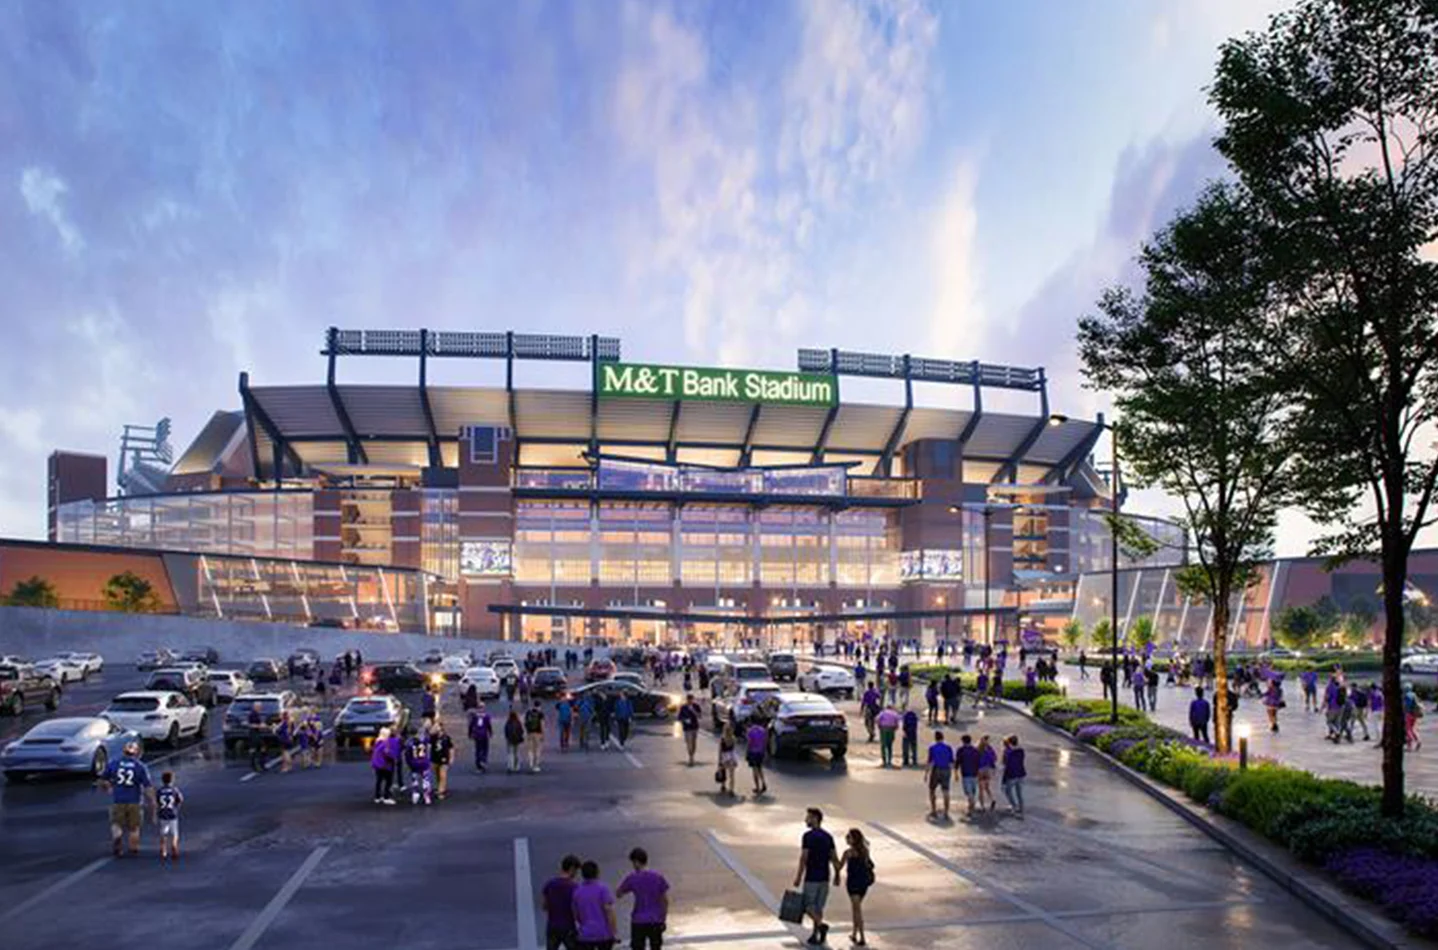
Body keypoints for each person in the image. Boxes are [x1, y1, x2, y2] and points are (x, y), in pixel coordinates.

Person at [793, 807, 842, 948]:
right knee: (818, 908)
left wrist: (798, 877)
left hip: (812, 877)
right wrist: (837, 874)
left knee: (808, 906)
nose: (805, 820)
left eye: (808, 817)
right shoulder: (828, 837)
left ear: (815, 818)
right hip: (825, 877)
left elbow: (804, 858)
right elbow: (834, 857)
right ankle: (816, 934)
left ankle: (821, 926)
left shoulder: (808, 836)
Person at [101, 740, 154, 856]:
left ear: (124, 751)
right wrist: (152, 801)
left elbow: (104, 779)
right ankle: (133, 847)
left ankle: (117, 839)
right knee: (134, 826)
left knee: (116, 823)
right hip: (134, 800)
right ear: (136, 752)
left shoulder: (113, 763)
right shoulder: (140, 766)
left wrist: (108, 788)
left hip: (118, 799)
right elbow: (147, 786)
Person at [616, 847, 669, 950]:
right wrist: (663, 919)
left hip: (638, 920)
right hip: (655, 919)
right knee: (656, 946)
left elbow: (619, 893)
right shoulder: (658, 876)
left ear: (636, 862)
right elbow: (665, 901)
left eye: (633, 862)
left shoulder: (632, 877)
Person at [837, 829, 874, 947]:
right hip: (864, 883)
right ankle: (854, 933)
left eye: (848, 837)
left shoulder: (848, 853)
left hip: (853, 884)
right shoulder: (865, 851)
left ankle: (862, 936)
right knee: (856, 909)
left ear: (854, 839)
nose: (846, 838)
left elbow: (839, 866)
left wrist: (831, 858)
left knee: (857, 911)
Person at [573, 859, 618, 950]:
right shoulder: (603, 889)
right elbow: (609, 912)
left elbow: (576, 914)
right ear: (597, 873)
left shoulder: (577, 892)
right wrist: (613, 932)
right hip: (603, 934)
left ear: (583, 875)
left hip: (585, 935)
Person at [542, 854, 581, 950]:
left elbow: (544, 906)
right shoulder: (575, 887)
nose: (576, 874)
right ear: (572, 868)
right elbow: (576, 909)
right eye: (576, 871)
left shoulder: (549, 884)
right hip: (568, 926)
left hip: (552, 926)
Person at [925, 730, 954, 820]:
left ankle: (933, 810)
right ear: (943, 737)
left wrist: (926, 773)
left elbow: (930, 761)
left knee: (932, 790)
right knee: (946, 791)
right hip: (946, 769)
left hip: (936, 769)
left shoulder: (932, 747)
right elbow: (952, 761)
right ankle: (946, 811)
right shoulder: (948, 747)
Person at [155, 770, 183, 861]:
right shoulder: (174, 790)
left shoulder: (159, 790)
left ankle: (163, 849)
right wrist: (177, 807)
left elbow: (157, 801)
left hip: (163, 813)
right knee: (174, 832)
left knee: (163, 832)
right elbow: (180, 799)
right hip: (172, 813)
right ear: (172, 780)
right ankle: (174, 846)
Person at [404, 726, 433, 805]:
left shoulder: (409, 742)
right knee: (425, 780)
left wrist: (409, 763)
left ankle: (415, 796)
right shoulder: (424, 740)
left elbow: (407, 754)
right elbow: (429, 747)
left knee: (415, 780)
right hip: (424, 762)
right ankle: (426, 796)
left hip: (414, 763)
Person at [956, 734, 980, 817]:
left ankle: (971, 807)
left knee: (968, 792)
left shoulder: (961, 750)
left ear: (963, 741)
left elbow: (958, 762)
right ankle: (972, 804)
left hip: (966, 773)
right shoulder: (975, 750)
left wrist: (955, 772)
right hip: (974, 773)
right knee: (973, 791)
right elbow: (978, 761)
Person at [1001, 735, 1026, 817]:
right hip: (1021, 773)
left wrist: (1004, 780)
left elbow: (1007, 766)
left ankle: (1014, 806)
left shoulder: (1009, 752)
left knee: (1008, 791)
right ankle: (1021, 808)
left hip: (1012, 775)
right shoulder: (1021, 751)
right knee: (1019, 792)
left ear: (1009, 742)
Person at [371, 726, 396, 804]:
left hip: (377, 765)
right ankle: (386, 797)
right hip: (385, 765)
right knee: (388, 781)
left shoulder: (377, 742)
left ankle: (377, 797)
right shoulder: (385, 743)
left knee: (379, 781)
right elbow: (387, 753)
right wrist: (393, 757)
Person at [744, 719, 769, 795]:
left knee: (754, 770)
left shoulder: (750, 731)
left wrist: (747, 752)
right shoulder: (763, 731)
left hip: (753, 752)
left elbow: (749, 742)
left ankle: (757, 787)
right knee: (760, 768)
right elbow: (765, 742)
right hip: (760, 752)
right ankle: (763, 783)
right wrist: (765, 751)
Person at [430, 721, 453, 799]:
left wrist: (451, 758)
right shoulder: (433, 737)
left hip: (444, 758)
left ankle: (441, 791)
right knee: (437, 775)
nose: (436, 728)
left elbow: (451, 748)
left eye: (438, 727)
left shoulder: (446, 737)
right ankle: (440, 787)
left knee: (442, 775)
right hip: (435, 758)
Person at [469, 702, 493, 772]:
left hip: (477, 735)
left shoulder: (475, 716)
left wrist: (470, 733)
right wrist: (490, 732)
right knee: (484, 749)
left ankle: (479, 764)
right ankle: (483, 761)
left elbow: (471, 726)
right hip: (484, 735)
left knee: (478, 749)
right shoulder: (486, 716)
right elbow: (489, 725)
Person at [976, 735, 997, 812]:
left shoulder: (977, 749)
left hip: (980, 770)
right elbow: (994, 758)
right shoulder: (990, 749)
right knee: (987, 787)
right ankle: (992, 799)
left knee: (980, 789)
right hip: (987, 769)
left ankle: (982, 806)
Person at [678, 694, 701, 766]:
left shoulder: (696, 706)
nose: (690, 701)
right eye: (688, 700)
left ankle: (692, 755)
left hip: (694, 727)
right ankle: (691, 757)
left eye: (691, 700)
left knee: (694, 743)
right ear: (687, 700)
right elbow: (679, 717)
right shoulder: (683, 707)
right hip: (687, 728)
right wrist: (684, 720)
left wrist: (693, 710)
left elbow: (699, 716)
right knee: (689, 742)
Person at [718, 722, 738, 796]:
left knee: (723, 770)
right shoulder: (733, 738)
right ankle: (731, 789)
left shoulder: (722, 739)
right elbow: (734, 749)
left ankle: (723, 785)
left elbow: (720, 750)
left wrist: (719, 760)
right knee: (732, 774)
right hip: (732, 756)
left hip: (724, 756)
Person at [525, 701, 546, 772]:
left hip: (530, 733)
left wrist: (527, 731)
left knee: (530, 749)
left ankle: (530, 763)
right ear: (539, 706)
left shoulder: (528, 713)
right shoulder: (540, 714)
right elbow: (542, 724)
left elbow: (525, 723)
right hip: (538, 733)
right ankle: (536, 765)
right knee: (537, 749)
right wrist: (543, 734)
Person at [1404, 683, 1424, 751]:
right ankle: (1418, 741)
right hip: (1415, 714)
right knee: (1413, 729)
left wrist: (1405, 712)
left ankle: (1410, 746)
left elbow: (1407, 706)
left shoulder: (1407, 695)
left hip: (1408, 714)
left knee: (1408, 729)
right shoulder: (1414, 694)